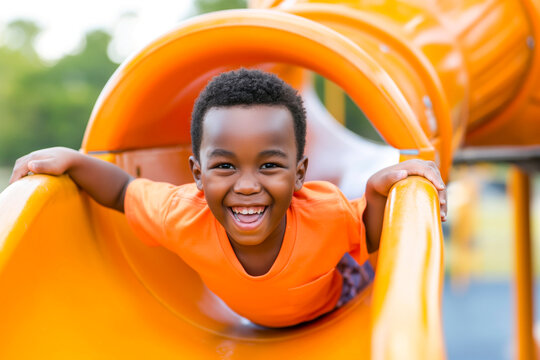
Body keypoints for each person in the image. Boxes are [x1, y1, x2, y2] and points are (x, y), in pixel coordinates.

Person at [9, 69, 447, 328]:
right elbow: (123, 191)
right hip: (251, 324)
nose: (247, 185)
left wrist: (375, 188)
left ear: (299, 175)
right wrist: (72, 160)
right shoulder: (182, 213)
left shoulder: (324, 211)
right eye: (225, 167)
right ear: (197, 175)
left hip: (339, 303)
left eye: (270, 166)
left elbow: (370, 237)